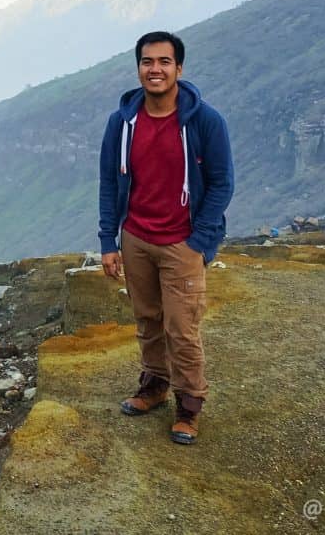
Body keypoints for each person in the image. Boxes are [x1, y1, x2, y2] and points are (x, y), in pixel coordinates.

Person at [97, 31, 234, 445]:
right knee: (148, 320)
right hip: (135, 237)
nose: (154, 69)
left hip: (181, 242)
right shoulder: (123, 122)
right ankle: (153, 387)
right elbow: (108, 181)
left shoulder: (205, 120)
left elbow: (222, 183)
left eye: (163, 62)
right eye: (147, 62)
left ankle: (189, 406)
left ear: (179, 68)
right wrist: (109, 240)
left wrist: (199, 239)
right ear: (138, 67)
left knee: (182, 327)